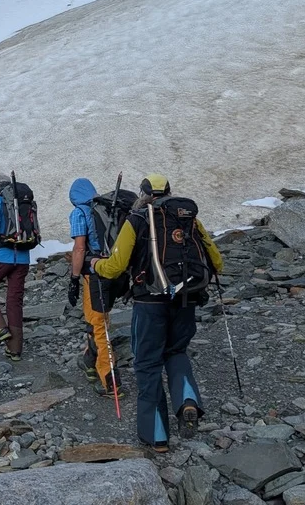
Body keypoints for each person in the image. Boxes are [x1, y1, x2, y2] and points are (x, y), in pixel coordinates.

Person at [91, 174, 225, 453]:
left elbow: (115, 266)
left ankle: (157, 436)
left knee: (147, 364)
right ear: (169, 192)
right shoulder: (189, 219)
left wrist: (95, 265)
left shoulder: (137, 218)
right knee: (176, 352)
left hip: (149, 302)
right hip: (186, 299)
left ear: (143, 193)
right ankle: (187, 400)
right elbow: (217, 262)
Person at [68, 178, 121, 397]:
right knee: (100, 318)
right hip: (114, 270)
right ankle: (90, 362)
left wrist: (74, 278)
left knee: (97, 324)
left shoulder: (80, 212)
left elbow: (80, 248)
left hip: (95, 273)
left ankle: (111, 383)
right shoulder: (108, 208)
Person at [0, 174, 32, 362]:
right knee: (14, 300)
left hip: (1, 256)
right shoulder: (23, 201)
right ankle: (15, 350)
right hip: (23, 257)